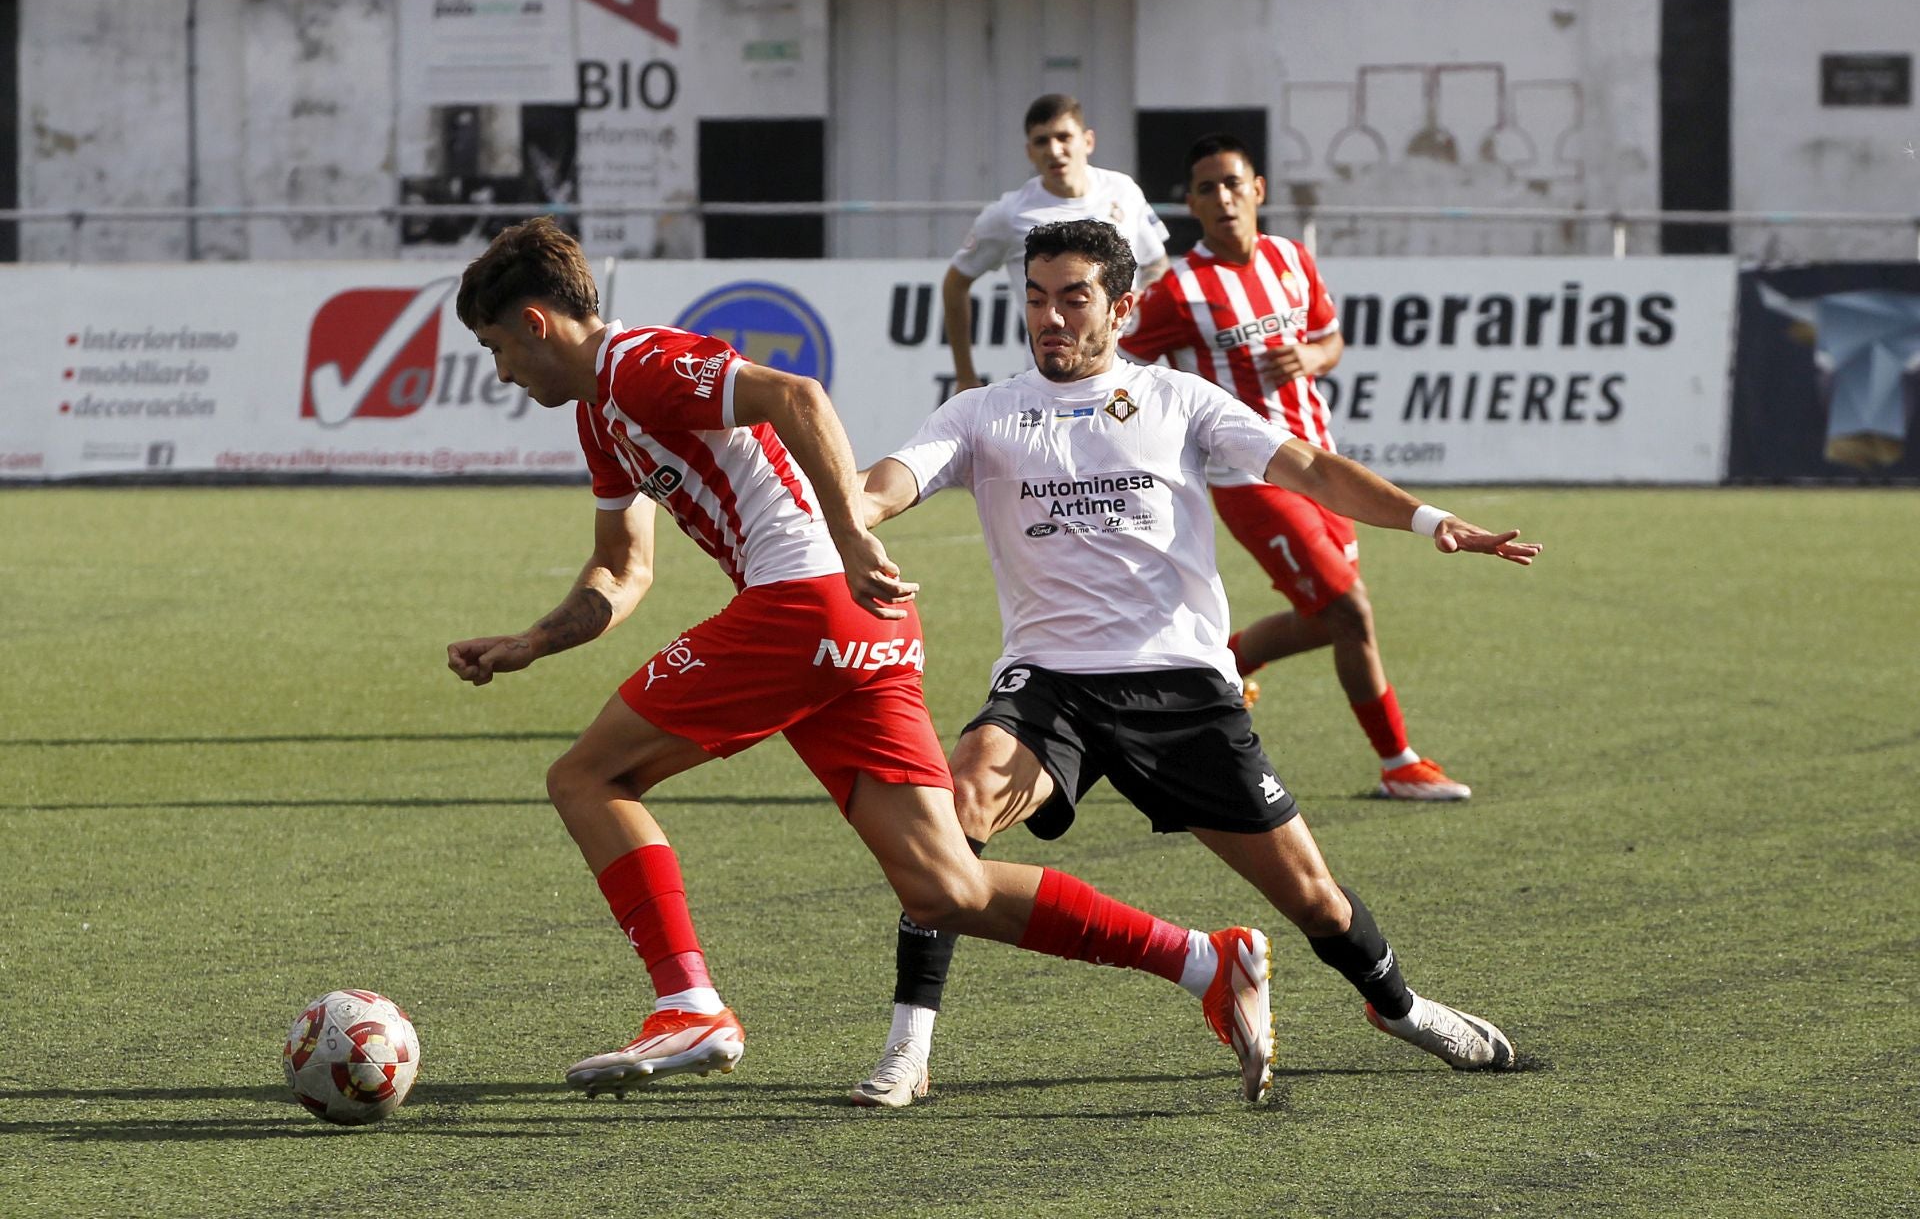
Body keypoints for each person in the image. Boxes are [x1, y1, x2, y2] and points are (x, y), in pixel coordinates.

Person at [445, 216, 1277, 1103]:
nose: (500, 370)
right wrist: (530, 642)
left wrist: (847, 533)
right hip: (858, 628)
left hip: (802, 602)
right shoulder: (599, 415)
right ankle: (1206, 963)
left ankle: (688, 1000)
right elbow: (623, 570)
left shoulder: (639, 364)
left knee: (586, 779)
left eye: (497, 347)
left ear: (536, 324)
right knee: (945, 886)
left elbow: (797, 395)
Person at [849, 217, 1536, 1107]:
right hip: (1048, 687)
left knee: (1319, 903)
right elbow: (886, 483)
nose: (1049, 318)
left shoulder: (1180, 400)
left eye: (1073, 297)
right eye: (1034, 298)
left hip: (1183, 688)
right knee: (947, 824)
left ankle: (1400, 1009)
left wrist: (1427, 519)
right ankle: (910, 1048)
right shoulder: (984, 410)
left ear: (1123, 308)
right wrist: (839, 518)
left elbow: (1313, 470)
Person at [1123, 133, 1467, 800]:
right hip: (1250, 480)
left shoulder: (1290, 258)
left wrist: (1313, 359)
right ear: (1192, 204)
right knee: (1351, 612)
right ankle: (1400, 764)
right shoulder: (1179, 290)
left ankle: (1224, 659)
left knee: (1326, 618)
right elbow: (1124, 365)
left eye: (1232, 182)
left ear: (1258, 190)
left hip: (1321, 465)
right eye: (1207, 188)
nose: (1222, 197)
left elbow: (1328, 337)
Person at [943, 92, 1171, 392]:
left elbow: (1156, 260)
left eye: (1064, 137)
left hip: (1133, 371)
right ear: (1029, 151)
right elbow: (955, 283)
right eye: (1042, 141)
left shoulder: (1123, 189)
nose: (1054, 150)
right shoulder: (1008, 214)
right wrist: (964, 376)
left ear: (1087, 141)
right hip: (1057, 378)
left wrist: (1146, 291)